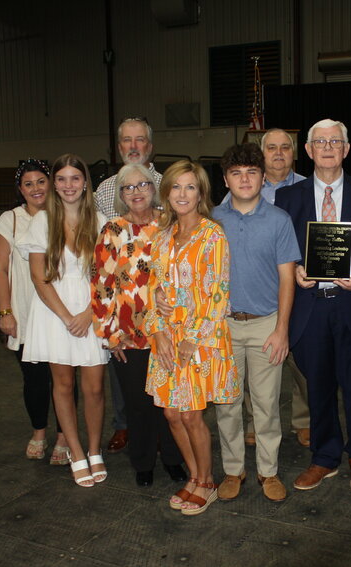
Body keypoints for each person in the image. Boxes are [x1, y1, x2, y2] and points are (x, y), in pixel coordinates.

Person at [275, 118, 351, 493]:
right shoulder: (288, 198)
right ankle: (324, 458)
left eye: (335, 141)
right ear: (308, 151)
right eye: (320, 141)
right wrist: (295, 271)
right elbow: (282, 252)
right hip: (311, 307)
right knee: (318, 387)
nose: (327, 147)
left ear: (346, 149)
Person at [143, 160, 239, 516]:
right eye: (176, 187)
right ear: (167, 193)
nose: (182, 194)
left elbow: (219, 293)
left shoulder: (212, 234)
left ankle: (207, 482)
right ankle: (195, 476)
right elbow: (153, 291)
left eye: (190, 187)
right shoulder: (162, 237)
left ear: (201, 193)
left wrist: (192, 339)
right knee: (171, 413)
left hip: (199, 339)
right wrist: (158, 330)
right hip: (167, 338)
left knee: (191, 416)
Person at [212, 143, 301, 503]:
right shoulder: (213, 221)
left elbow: (287, 279)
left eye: (251, 172)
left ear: (263, 178)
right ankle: (234, 470)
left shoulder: (279, 221)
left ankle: (268, 470)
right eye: (236, 173)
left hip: (266, 325)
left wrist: (282, 329)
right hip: (224, 326)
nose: (244, 179)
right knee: (227, 404)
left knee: (266, 406)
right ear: (226, 179)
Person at [91, 163, 186, 487]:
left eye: (142, 185)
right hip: (129, 337)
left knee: (168, 403)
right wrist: (109, 335)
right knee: (137, 404)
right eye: (128, 187)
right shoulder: (111, 231)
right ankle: (143, 462)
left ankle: (174, 459)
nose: (136, 192)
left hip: (169, 333)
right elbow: (102, 285)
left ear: (154, 187)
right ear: (120, 195)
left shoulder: (170, 225)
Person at [18, 153, 109, 488]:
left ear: (85, 182)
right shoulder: (41, 222)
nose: (68, 186)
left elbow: (108, 277)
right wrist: (67, 316)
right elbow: (40, 278)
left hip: (91, 313)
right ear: (54, 185)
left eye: (75, 178)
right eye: (61, 179)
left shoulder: (100, 221)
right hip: (55, 315)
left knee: (95, 388)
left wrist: (88, 313)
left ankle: (95, 449)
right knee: (64, 386)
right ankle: (75, 450)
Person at [221, 128, 311, 448]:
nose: (278, 153)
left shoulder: (308, 189)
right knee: (251, 379)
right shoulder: (226, 205)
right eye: (271, 147)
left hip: (300, 288)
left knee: (301, 365)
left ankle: (303, 420)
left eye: (285, 147)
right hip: (248, 302)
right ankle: (252, 424)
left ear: (294, 152)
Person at [0, 159, 74, 465]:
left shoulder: (65, 215)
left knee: (65, 380)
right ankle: (39, 431)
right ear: (20, 189)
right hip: (26, 313)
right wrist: (5, 311)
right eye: (28, 183)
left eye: (41, 181)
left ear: (51, 184)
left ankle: (65, 437)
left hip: (61, 311)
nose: (36, 188)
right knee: (35, 380)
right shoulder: (9, 220)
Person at [94, 117, 163, 454]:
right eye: (126, 140)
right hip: (124, 313)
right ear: (119, 146)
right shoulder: (105, 189)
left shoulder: (169, 184)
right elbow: (102, 266)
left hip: (163, 314)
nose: (133, 146)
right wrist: (109, 327)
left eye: (140, 140)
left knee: (162, 389)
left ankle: (165, 440)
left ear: (150, 146)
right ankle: (124, 427)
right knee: (126, 382)